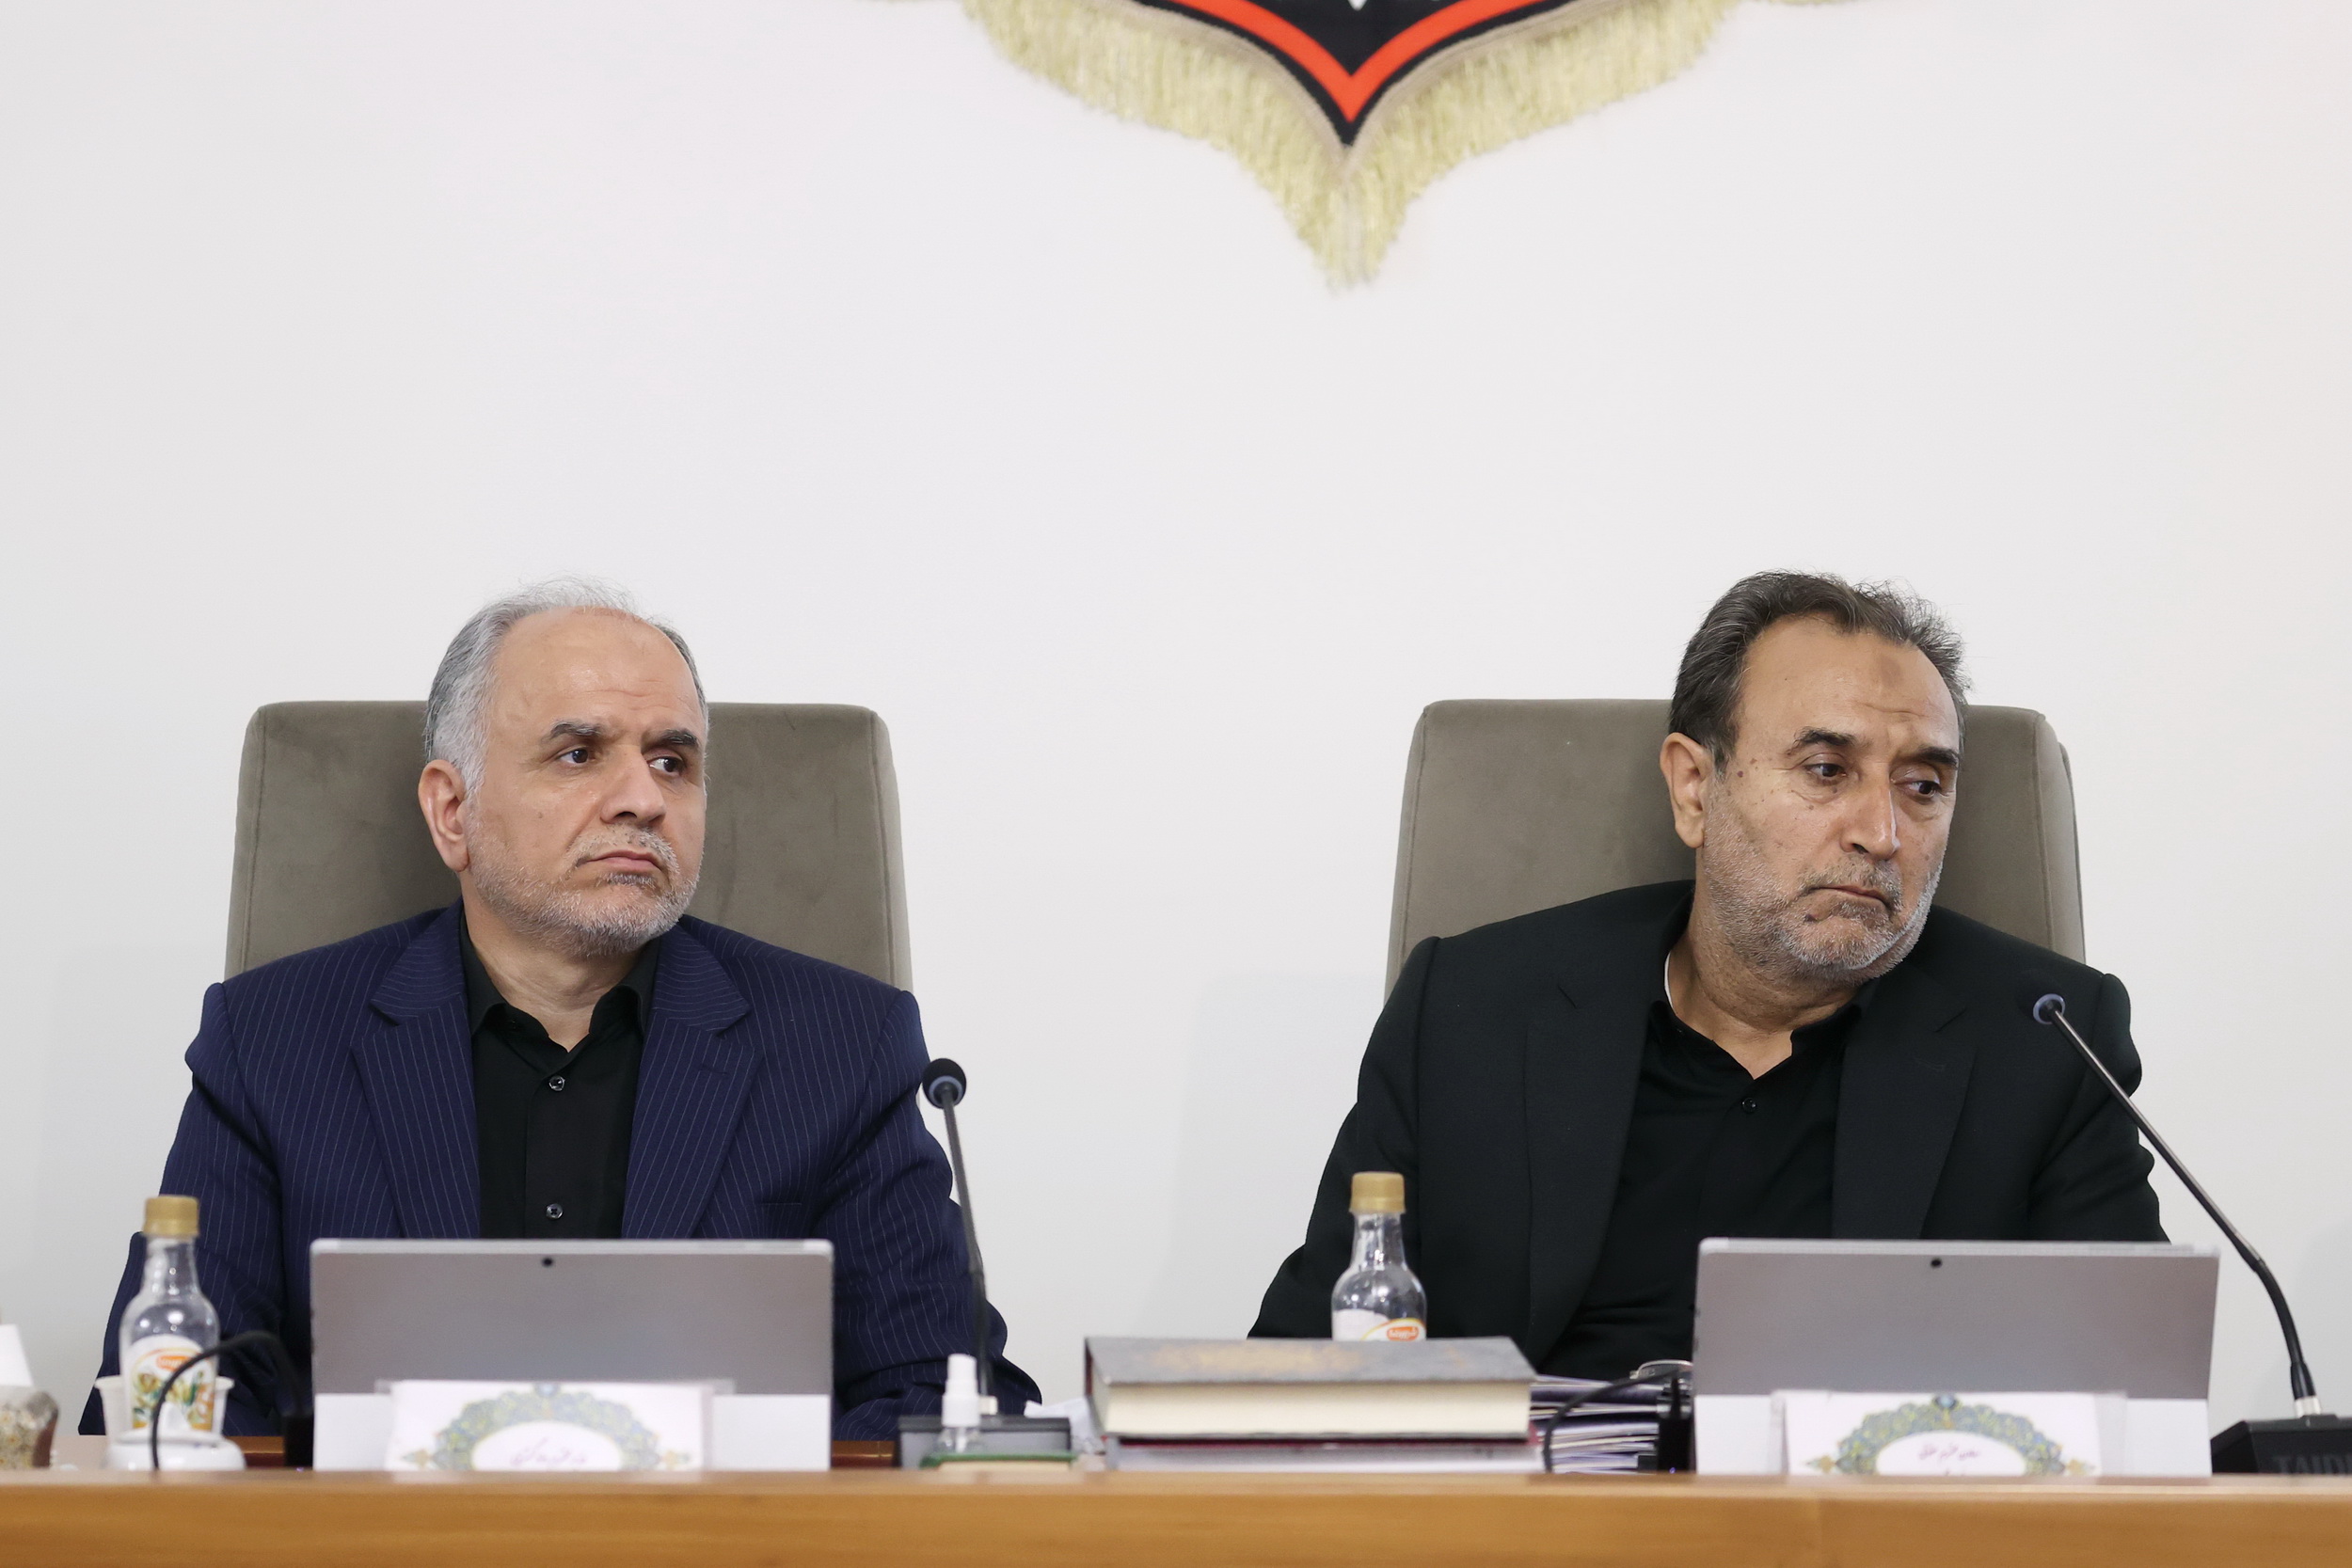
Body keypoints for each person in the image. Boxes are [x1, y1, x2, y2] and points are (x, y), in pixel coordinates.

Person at [85, 578, 1035, 1437]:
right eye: (578, 753)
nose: (642, 799)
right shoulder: (273, 1040)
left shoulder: (842, 1045)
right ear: (452, 811)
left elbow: (940, 1393)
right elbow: (170, 1400)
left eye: (673, 761)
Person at [1251, 571, 2163, 1376]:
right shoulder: (1470, 1011)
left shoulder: (2046, 1039)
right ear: (1694, 786)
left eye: (1922, 785)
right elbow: (1304, 1363)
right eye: (1825, 769)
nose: (1881, 833)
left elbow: (2135, 1397)